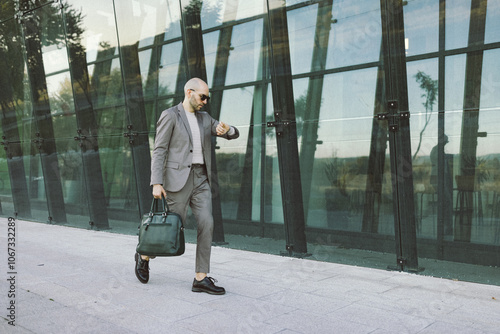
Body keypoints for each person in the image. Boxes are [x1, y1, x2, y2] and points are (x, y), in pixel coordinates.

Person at [135, 78, 239, 294]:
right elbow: (159, 150)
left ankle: (200, 277)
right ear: (189, 92)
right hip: (176, 180)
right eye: (203, 96)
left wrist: (228, 129)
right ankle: (144, 254)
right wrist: (156, 182)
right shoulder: (171, 115)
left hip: (201, 179)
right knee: (171, 229)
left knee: (207, 223)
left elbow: (231, 133)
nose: (205, 101)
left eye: (208, 98)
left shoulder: (205, 118)